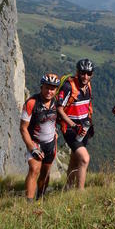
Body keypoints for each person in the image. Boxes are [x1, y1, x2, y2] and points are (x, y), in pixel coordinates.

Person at [20, 73, 60, 202]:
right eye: (47, 87)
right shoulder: (32, 103)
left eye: (52, 88)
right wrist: (32, 147)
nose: (49, 91)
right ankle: (29, 203)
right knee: (34, 169)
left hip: (50, 144)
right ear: (41, 87)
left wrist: (56, 131)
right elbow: (23, 128)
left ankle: (40, 199)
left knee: (45, 174)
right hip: (35, 142)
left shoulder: (56, 102)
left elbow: (57, 119)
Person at [56, 59, 94, 189]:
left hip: (83, 128)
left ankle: (68, 188)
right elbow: (59, 109)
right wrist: (73, 125)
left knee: (74, 159)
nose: (85, 76)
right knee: (84, 159)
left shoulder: (88, 86)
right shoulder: (68, 87)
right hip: (70, 129)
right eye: (83, 73)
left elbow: (87, 106)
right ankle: (80, 193)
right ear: (77, 72)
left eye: (88, 73)